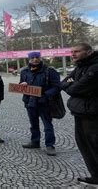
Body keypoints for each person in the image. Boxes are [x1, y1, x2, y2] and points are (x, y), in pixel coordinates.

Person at [61, 43, 98, 185]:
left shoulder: (94, 68)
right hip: (81, 111)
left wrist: (72, 84)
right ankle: (95, 175)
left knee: (94, 144)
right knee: (84, 144)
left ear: (89, 52)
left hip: (93, 113)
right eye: (72, 51)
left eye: (77, 51)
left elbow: (73, 88)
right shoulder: (80, 67)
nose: (73, 54)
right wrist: (71, 84)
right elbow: (63, 83)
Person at [20, 51, 60, 156]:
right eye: (32, 58)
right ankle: (35, 141)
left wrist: (45, 94)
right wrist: (22, 85)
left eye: (37, 57)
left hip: (44, 102)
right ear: (29, 59)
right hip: (30, 102)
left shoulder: (49, 71)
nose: (35, 59)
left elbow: (57, 86)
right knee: (33, 124)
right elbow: (21, 84)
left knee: (47, 125)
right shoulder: (24, 71)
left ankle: (50, 145)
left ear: (40, 58)